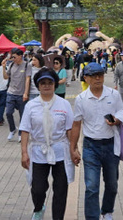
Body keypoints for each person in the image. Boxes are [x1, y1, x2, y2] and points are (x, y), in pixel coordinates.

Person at [70, 62, 123, 220]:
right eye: (94, 76)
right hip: (90, 147)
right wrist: (73, 148)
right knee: (91, 187)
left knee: (112, 185)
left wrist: (116, 120)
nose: (98, 78)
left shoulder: (113, 95)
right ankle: (92, 217)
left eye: (100, 75)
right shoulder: (81, 99)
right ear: (86, 78)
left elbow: (122, 114)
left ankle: (107, 211)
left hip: (110, 145)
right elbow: (76, 124)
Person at [19, 68, 75, 220]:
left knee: (61, 188)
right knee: (38, 188)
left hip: (60, 150)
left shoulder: (64, 105)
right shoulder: (31, 105)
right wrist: (24, 153)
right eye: (42, 83)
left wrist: (73, 149)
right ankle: (39, 207)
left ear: (55, 85)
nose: (46, 86)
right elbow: (25, 130)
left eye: (50, 82)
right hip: (38, 150)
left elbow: (70, 129)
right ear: (38, 86)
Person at [3, 48, 32, 142]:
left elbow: (28, 79)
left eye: (14, 57)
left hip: (21, 94)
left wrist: (26, 93)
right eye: (12, 57)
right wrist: (3, 67)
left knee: (22, 115)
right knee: (8, 112)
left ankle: (21, 133)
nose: (13, 59)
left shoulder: (27, 65)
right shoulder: (11, 65)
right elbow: (6, 77)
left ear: (20, 56)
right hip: (11, 92)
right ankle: (12, 129)